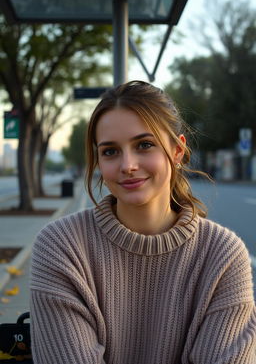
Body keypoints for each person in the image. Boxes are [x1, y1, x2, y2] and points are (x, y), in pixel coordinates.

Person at [30, 80, 256, 364]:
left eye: (144, 145)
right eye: (110, 151)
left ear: (177, 151)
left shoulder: (223, 255)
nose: (128, 165)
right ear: (98, 161)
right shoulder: (61, 247)